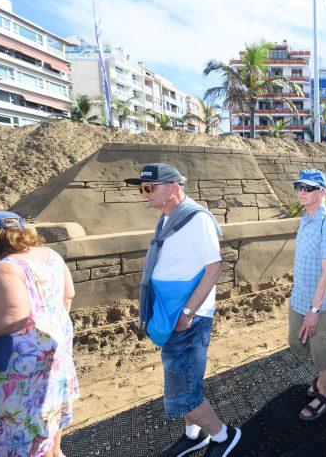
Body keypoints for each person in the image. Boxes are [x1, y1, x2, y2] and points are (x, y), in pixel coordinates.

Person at [125, 163, 240, 457]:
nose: (144, 193)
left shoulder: (196, 220)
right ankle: (194, 435)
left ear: (173, 187)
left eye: (148, 188)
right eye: (142, 188)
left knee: (183, 391)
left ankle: (223, 436)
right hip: (172, 312)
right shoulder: (169, 218)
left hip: (188, 317)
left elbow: (214, 268)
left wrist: (187, 313)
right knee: (183, 380)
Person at [0, 211, 79, 457]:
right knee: (47, 414)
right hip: (55, 353)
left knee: (16, 429)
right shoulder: (51, 255)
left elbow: (13, 319)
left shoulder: (5, 269)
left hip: (16, 369)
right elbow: (68, 296)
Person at [287, 169, 326, 420]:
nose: (302, 191)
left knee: (320, 347)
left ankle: (325, 392)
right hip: (300, 297)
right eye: (299, 187)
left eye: (308, 188)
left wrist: (314, 310)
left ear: (322, 193)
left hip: (322, 303)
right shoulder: (305, 218)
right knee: (296, 342)